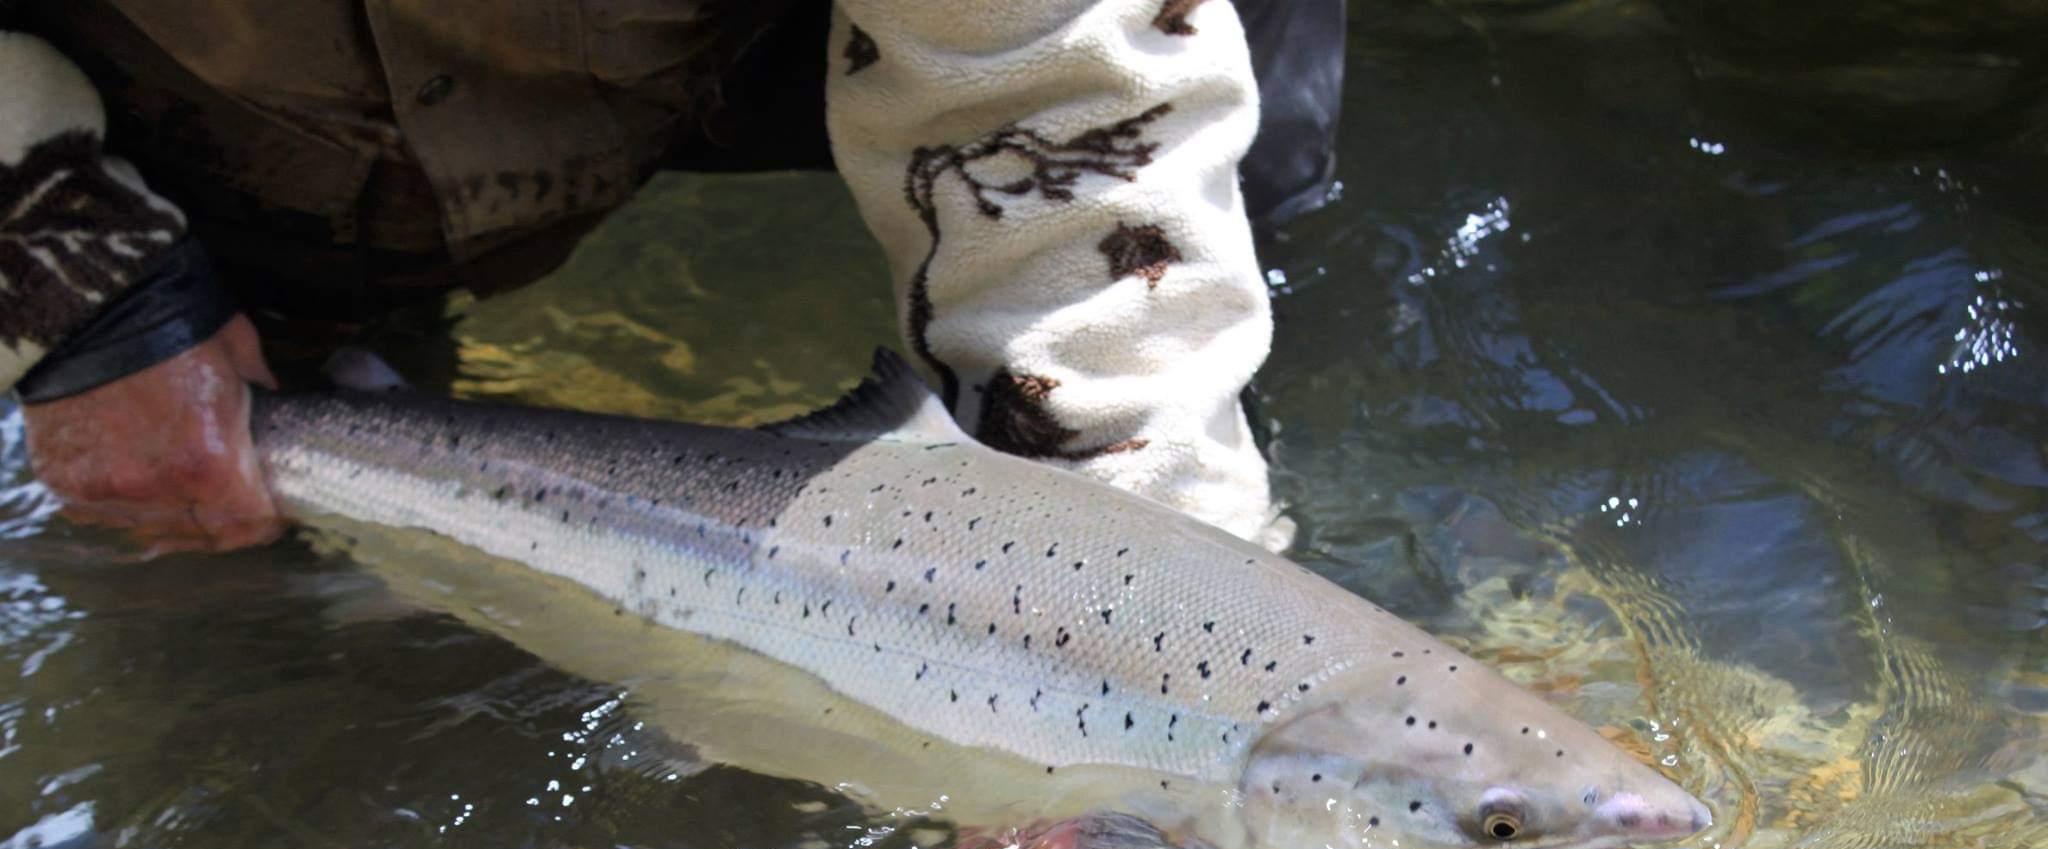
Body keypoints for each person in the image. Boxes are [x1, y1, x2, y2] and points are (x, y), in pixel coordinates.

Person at [1, 1, 1342, 554]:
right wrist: (85, 299)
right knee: (203, 513)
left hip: (767, 31)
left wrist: (1137, 524)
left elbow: (1051, 90)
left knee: (1162, 284)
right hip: (214, 92)